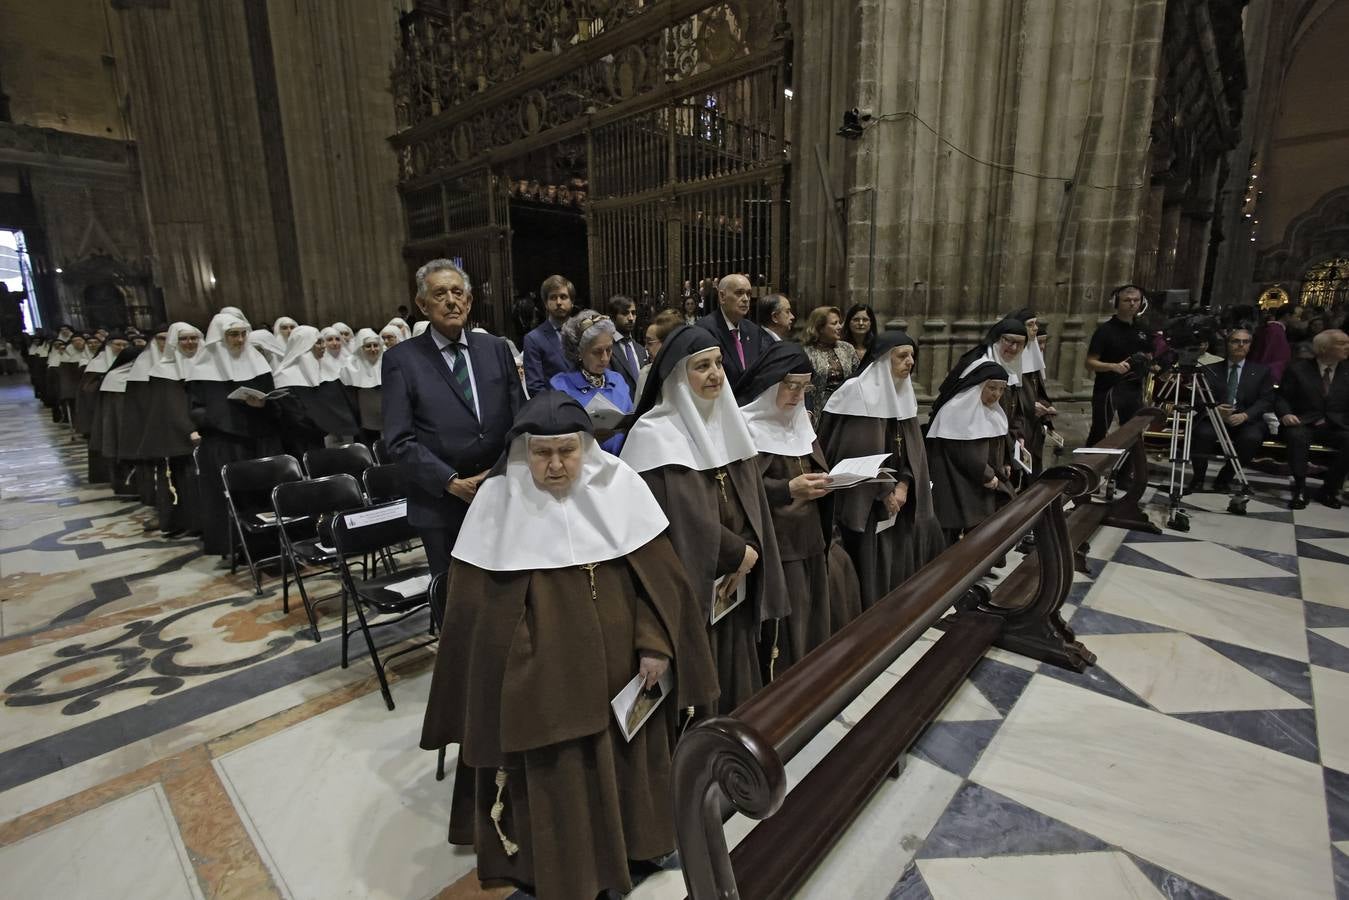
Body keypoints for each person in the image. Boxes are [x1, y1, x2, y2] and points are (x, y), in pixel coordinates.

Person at [419, 392, 718, 900]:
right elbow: (480, 624)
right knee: (561, 771)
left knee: (627, 759)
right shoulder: (496, 506)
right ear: (523, 453)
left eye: (567, 451)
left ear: (586, 448)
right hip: (542, 686)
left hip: (624, 675)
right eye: (541, 453)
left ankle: (638, 846)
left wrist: (654, 643)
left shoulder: (621, 490)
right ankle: (565, 867)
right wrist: (520, 669)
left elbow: (660, 587)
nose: (555, 465)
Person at [621, 325, 787, 712]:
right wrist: (737, 553)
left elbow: (752, 500)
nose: (715, 374)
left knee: (738, 677)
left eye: (718, 364)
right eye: (702, 366)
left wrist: (749, 551)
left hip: (735, 583)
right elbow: (671, 521)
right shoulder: (652, 437)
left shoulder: (729, 425)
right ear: (678, 377)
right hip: (690, 591)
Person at [382, 259, 525, 576]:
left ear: (469, 301)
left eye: (458, 293)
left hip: (500, 491)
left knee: (508, 585)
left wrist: (498, 471)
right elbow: (399, 440)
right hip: (440, 505)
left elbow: (521, 420)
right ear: (422, 304)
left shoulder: (496, 348)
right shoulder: (401, 360)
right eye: (440, 294)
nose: (451, 301)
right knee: (455, 594)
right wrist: (450, 482)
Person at [736, 342, 859, 667]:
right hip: (778, 546)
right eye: (791, 385)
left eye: (805, 387)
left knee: (812, 620)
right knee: (788, 630)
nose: (798, 395)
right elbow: (741, 492)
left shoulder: (800, 421)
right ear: (770, 383)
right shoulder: (745, 428)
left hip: (812, 538)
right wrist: (788, 489)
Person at [819, 332, 945, 607]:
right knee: (870, 566)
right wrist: (885, 490)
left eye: (912, 356)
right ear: (882, 359)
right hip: (868, 501)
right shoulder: (857, 393)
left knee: (897, 557)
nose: (910, 362)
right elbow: (854, 452)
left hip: (899, 498)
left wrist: (905, 484)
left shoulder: (902, 393)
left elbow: (914, 449)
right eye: (902, 356)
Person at [186, 312, 282, 557]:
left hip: (258, 440)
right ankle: (229, 545)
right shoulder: (202, 368)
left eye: (242, 334)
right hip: (222, 444)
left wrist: (263, 405)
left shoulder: (258, 363)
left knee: (260, 494)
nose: (239, 340)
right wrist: (221, 415)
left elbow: (273, 402)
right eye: (232, 335)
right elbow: (196, 409)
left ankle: (265, 545)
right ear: (219, 337)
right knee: (225, 496)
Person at [927, 361, 1015, 543]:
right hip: (955, 480)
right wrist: (988, 475)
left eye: (1001, 389)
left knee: (980, 534)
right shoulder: (957, 409)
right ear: (979, 385)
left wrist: (1005, 462)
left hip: (976, 481)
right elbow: (966, 453)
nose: (997, 394)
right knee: (951, 534)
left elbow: (998, 442)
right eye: (992, 388)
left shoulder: (990, 410)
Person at [1187, 328, 1274, 493]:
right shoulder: (1209, 369)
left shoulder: (1261, 371)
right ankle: (1198, 478)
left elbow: (1266, 400)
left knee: (1252, 438)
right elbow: (1197, 397)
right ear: (1227, 344)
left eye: (1245, 342)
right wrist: (1214, 409)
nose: (1240, 345)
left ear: (1250, 345)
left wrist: (1245, 415)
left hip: (1245, 418)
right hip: (1214, 417)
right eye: (1235, 341)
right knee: (1202, 433)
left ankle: (1224, 478)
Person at [1277, 328, 1349, 509]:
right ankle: (1299, 488)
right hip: (1303, 421)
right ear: (1324, 348)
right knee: (1297, 437)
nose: (1347, 347)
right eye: (1342, 343)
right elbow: (1281, 397)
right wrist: (1285, 414)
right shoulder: (1297, 368)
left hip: (1336, 424)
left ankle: (1330, 489)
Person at [142, 323, 203, 536]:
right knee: (182, 480)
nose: (189, 343)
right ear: (174, 343)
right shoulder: (163, 370)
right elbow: (171, 404)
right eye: (183, 339)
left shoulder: (207, 363)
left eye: (193, 338)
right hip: (178, 435)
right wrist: (189, 429)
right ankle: (186, 522)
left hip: (207, 429)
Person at [549, 309, 632, 454]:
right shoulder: (561, 386)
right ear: (579, 352)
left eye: (609, 350)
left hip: (624, 460)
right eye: (597, 352)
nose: (605, 358)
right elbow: (556, 438)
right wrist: (585, 438)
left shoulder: (617, 380)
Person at [272, 325, 360, 456]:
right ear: (304, 345)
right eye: (318, 342)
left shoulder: (327, 370)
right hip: (305, 444)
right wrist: (326, 430)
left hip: (339, 436)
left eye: (323, 342)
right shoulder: (284, 377)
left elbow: (343, 405)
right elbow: (296, 417)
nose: (324, 346)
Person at [1085, 284, 1152, 445]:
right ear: (1116, 302)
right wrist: (1113, 366)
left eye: (1136, 300)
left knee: (1133, 433)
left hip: (1134, 388)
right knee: (1099, 431)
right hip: (1108, 388)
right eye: (1127, 300)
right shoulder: (1105, 331)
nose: (1132, 304)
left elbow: (1149, 354)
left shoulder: (1143, 328)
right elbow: (1090, 363)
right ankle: (1089, 460)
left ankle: (1126, 462)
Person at [695, 273, 770, 386]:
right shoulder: (704, 329)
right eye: (739, 293)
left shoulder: (753, 330)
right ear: (722, 296)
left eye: (748, 294)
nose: (746, 299)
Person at [1010, 309, 1057, 474]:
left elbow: (1038, 390)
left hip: (1033, 422)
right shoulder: (1011, 357)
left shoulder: (1033, 354)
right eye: (1030, 324)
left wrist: (1046, 406)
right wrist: (1031, 406)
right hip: (1018, 422)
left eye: (1036, 324)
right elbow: (1010, 394)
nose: (1035, 328)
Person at [522, 274, 575, 395]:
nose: (558, 302)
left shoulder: (584, 331)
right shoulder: (533, 339)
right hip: (556, 404)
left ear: (572, 302)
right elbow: (535, 387)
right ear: (546, 304)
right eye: (553, 298)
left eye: (563, 297)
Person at [801, 305, 857, 414]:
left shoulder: (847, 348)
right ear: (820, 328)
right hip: (818, 411)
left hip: (845, 409)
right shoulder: (806, 352)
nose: (840, 327)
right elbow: (803, 387)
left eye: (839, 322)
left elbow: (857, 377)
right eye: (834, 323)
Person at [343, 328, 385, 445]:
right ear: (360, 348)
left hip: (386, 413)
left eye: (375, 345)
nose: (373, 349)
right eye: (368, 346)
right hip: (364, 416)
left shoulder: (388, 361)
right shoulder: (350, 366)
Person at [606, 295, 648, 396]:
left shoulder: (641, 350)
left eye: (633, 313)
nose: (631, 318)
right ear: (613, 317)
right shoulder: (606, 349)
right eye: (625, 313)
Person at [1249, 307, 1293, 382]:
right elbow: (1267, 353)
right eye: (1297, 316)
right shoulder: (1275, 331)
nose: (1298, 319)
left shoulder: (1274, 329)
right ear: (1287, 316)